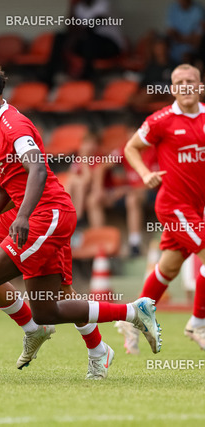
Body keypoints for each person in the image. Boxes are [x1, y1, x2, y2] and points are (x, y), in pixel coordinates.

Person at [0, 60, 161, 384]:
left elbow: (38, 168)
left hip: (47, 215)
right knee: (46, 310)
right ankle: (133, 312)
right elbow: (1, 193)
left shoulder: (14, 126)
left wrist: (23, 216)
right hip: (40, 215)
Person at [117, 64, 205, 353]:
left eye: (191, 81)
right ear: (172, 89)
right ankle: (198, 324)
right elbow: (131, 148)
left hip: (197, 208)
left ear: (200, 86)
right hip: (174, 206)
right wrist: (145, 174)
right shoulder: (161, 120)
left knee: (169, 267)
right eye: (179, 82)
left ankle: (133, 318)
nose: (185, 86)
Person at [166, 0, 203, 65]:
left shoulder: (198, 10)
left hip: (191, 50)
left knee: (186, 57)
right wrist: (189, 38)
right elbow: (170, 33)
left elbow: (197, 41)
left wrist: (179, 38)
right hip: (174, 48)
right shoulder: (173, 8)